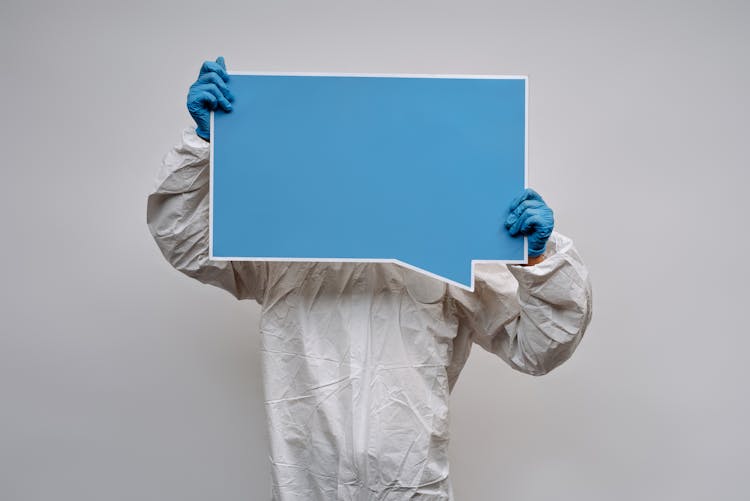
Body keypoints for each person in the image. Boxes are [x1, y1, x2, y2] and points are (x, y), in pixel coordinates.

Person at [147, 57, 593, 501]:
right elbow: (186, 241)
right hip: (305, 486)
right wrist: (205, 145)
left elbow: (537, 348)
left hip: (411, 485)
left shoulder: (449, 243)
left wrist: (539, 259)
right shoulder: (282, 236)